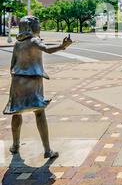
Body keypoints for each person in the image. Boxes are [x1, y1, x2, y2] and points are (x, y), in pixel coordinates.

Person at [3, 15, 72, 159]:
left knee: (16, 112)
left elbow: (12, 64)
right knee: (39, 112)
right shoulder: (34, 41)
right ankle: (47, 150)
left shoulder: (17, 43)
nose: (39, 26)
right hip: (33, 81)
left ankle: (15, 145)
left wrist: (15, 78)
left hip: (17, 80)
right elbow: (47, 49)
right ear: (30, 27)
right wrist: (62, 46)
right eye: (37, 24)